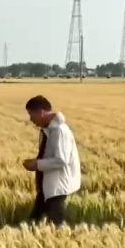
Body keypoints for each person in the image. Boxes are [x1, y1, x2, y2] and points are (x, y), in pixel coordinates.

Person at [21, 95, 81, 226]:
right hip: (48, 186)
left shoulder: (60, 131)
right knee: (35, 223)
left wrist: (37, 164)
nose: (31, 119)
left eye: (31, 114)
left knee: (54, 225)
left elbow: (61, 160)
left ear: (40, 112)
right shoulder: (49, 130)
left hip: (57, 187)